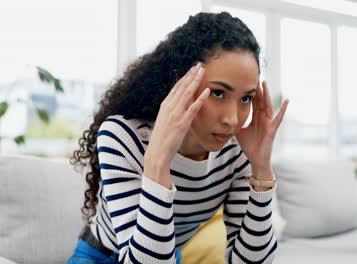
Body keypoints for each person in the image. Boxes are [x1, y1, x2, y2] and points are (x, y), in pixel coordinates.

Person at [67, 11, 288, 264]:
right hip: (99, 256)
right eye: (218, 93)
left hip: (166, 254)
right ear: (180, 82)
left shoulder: (235, 154)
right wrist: (159, 160)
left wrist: (261, 170)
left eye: (245, 98)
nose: (232, 119)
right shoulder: (124, 136)